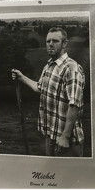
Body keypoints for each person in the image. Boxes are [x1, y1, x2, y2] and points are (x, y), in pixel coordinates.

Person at [12, 27, 85, 157]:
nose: (50, 44)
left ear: (65, 44)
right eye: (48, 41)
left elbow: (74, 105)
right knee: (52, 175)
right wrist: (21, 77)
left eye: (55, 41)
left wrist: (65, 136)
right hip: (51, 136)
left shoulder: (71, 69)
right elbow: (40, 88)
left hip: (67, 140)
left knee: (67, 177)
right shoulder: (49, 66)